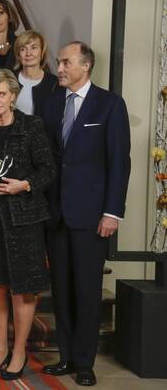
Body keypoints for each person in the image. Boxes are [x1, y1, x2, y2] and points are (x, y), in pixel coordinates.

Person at [41, 41, 131, 387]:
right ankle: (65, 357)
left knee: (87, 291)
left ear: (85, 66)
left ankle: (84, 362)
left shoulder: (109, 105)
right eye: (60, 63)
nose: (59, 68)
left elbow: (119, 163)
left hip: (93, 216)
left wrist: (112, 213)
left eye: (65, 62)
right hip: (56, 215)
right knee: (61, 290)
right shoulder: (50, 105)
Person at [0, 69, 56, 381]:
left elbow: (48, 170)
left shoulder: (31, 126)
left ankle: (19, 352)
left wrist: (24, 185)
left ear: (13, 96)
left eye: (2, 94)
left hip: (23, 219)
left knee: (23, 290)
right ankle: (0, 349)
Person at [13, 30, 58, 117]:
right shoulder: (9, 79)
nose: (28, 53)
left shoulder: (54, 83)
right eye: (23, 49)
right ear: (18, 55)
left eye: (33, 48)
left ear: (42, 52)